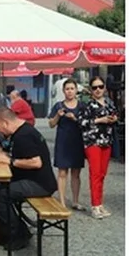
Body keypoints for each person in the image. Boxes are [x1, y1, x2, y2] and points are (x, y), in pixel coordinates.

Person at [0, 108, 57, 251]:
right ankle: (19, 230)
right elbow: (13, 156)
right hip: (34, 180)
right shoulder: (23, 131)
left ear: (5, 122)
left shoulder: (23, 136)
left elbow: (36, 162)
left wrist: (11, 162)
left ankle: (18, 233)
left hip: (39, 184)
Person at [78, 75, 117, 219]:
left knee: (102, 174)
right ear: (90, 90)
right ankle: (95, 206)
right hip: (92, 141)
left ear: (105, 88)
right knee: (95, 173)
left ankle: (99, 204)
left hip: (106, 140)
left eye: (100, 86)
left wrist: (113, 119)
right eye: (95, 87)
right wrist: (100, 119)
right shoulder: (87, 105)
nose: (98, 90)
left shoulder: (109, 103)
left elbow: (115, 116)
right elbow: (81, 122)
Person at [47, 79, 86, 211]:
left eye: (72, 88)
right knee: (62, 172)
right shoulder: (58, 106)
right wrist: (58, 116)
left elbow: (87, 124)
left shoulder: (82, 106)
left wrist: (74, 118)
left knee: (76, 173)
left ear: (76, 90)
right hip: (63, 142)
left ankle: (75, 201)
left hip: (77, 142)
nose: (69, 91)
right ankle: (62, 202)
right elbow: (51, 124)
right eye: (67, 89)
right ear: (63, 91)